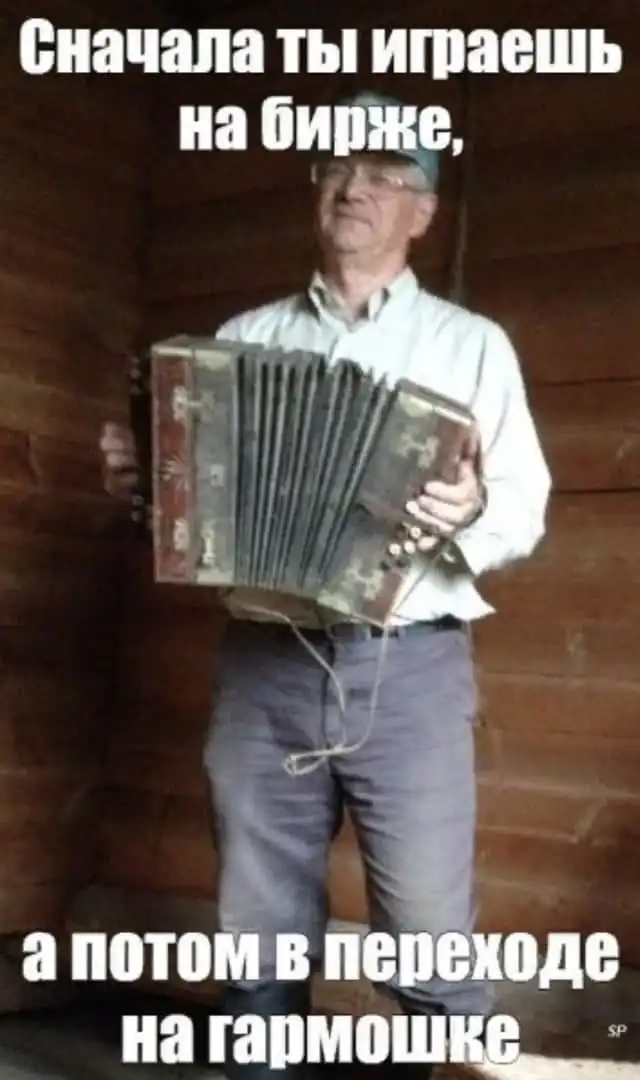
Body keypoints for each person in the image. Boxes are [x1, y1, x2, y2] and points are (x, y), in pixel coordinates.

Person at [100, 92, 551, 1078]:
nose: (355, 186)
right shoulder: (243, 335)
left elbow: (524, 505)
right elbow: (194, 509)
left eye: (385, 172)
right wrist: (148, 487)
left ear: (422, 211)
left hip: (408, 668)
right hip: (263, 661)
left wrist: (470, 509)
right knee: (257, 924)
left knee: (426, 931)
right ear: (317, 185)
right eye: (339, 164)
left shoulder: (471, 345)